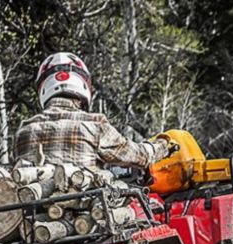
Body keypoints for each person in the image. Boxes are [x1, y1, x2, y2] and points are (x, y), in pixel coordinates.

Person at [14, 52, 171, 170]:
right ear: (83, 85)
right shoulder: (94, 124)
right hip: (86, 211)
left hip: (32, 210)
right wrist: (163, 145)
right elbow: (139, 156)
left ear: (43, 88)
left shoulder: (24, 130)